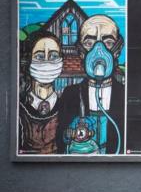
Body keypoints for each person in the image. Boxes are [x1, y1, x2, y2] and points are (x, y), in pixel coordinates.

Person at [56, 15, 125, 154]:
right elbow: (59, 139)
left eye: (108, 42)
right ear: (81, 51)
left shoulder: (125, 94)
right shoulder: (71, 94)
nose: (98, 50)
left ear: (117, 50)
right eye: (89, 43)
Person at [18, 30, 64, 154]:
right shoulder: (19, 109)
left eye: (54, 56)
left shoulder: (67, 106)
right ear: (28, 60)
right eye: (39, 56)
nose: (47, 61)